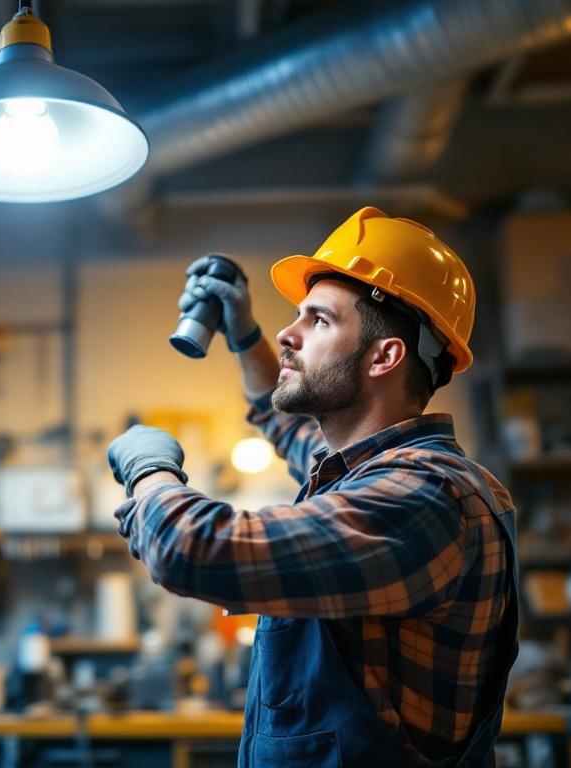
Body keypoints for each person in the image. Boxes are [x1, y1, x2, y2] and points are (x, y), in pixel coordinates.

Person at [106, 207, 518, 767]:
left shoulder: (426, 496)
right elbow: (278, 419)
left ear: (384, 356)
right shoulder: (361, 472)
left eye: (319, 320)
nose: (287, 333)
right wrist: (243, 333)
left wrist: (148, 467)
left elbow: (191, 549)